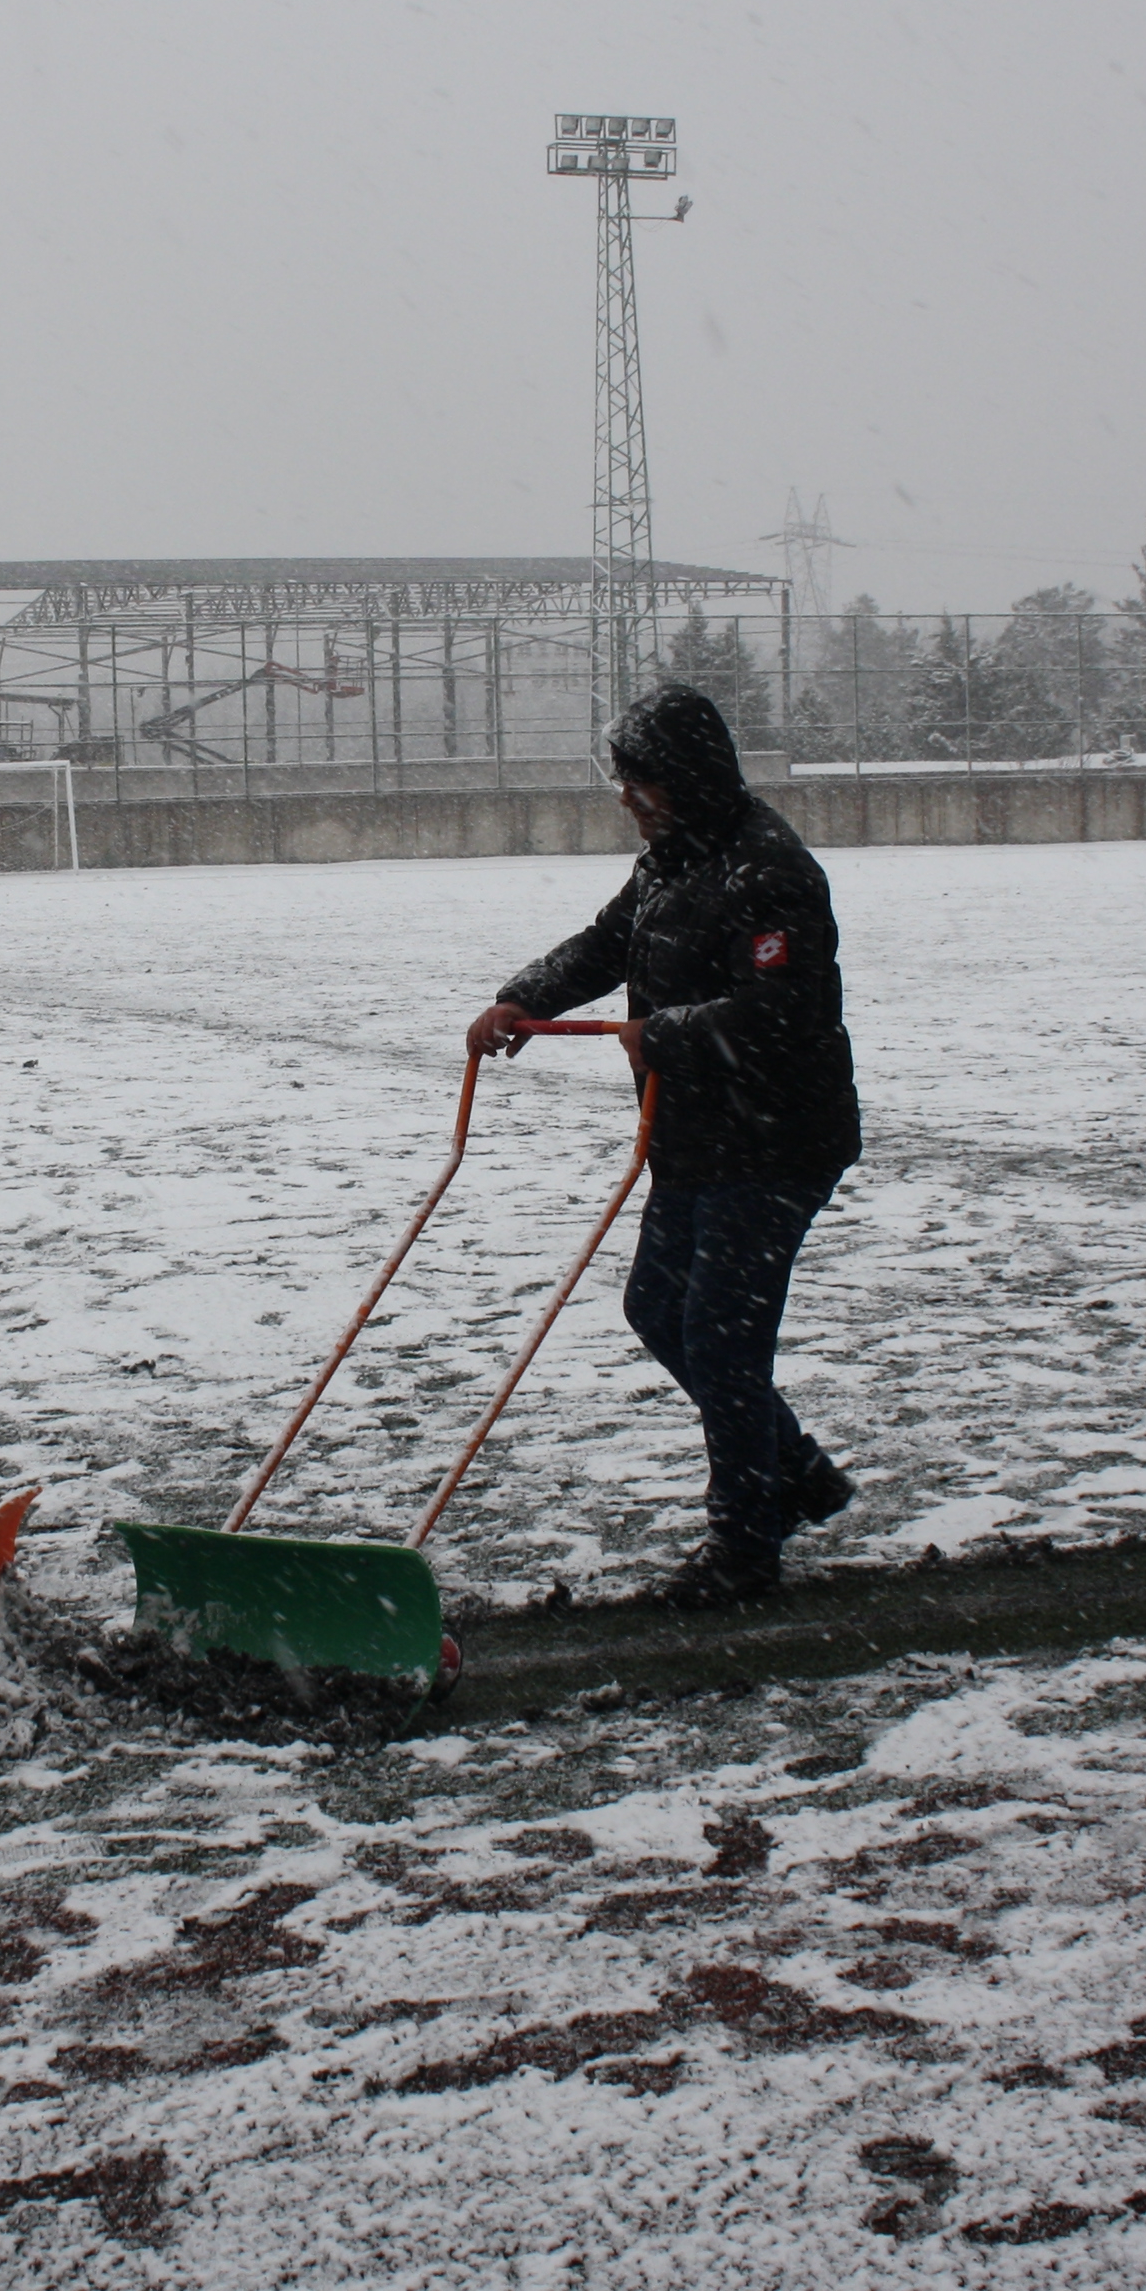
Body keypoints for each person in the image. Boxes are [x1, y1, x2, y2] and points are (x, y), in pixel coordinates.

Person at [467, 683, 864, 1607]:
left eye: (637, 782)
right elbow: (608, 944)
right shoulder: (671, 863)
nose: (626, 800)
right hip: (694, 1133)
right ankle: (793, 1470)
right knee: (658, 1309)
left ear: (683, 778)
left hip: (775, 1139)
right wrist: (523, 998)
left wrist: (668, 1035)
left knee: (722, 1342)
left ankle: (746, 1546)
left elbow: (784, 1011)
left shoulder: (770, 871)